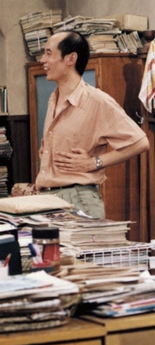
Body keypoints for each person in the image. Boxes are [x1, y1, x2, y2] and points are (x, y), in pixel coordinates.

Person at [36, 31, 149, 218]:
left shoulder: (97, 100)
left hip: (77, 199)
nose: (43, 60)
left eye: (49, 53)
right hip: (48, 199)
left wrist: (93, 162)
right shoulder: (53, 98)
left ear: (71, 59)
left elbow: (140, 143)